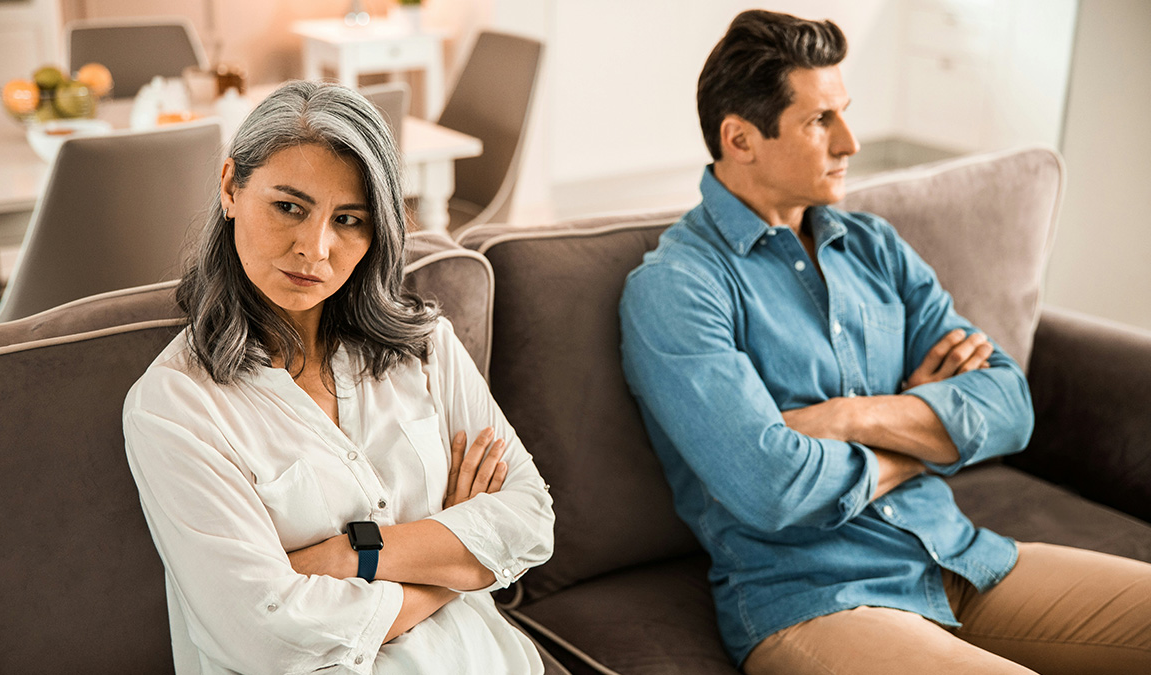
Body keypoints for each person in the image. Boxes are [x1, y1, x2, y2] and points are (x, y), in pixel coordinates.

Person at [619, 10, 1151, 675]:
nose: (850, 142)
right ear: (741, 138)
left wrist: (853, 416)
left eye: (844, 113)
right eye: (820, 121)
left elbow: (1010, 406)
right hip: (818, 599)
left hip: (955, 555)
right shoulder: (678, 287)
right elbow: (771, 485)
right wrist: (923, 439)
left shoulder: (873, 247)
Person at [123, 80, 555, 675]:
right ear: (230, 187)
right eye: (289, 207)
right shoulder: (175, 406)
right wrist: (453, 565)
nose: (315, 248)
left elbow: (530, 519)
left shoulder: (425, 346)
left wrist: (350, 555)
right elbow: (266, 635)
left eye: (348, 219)